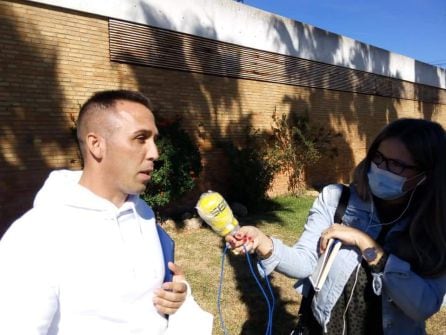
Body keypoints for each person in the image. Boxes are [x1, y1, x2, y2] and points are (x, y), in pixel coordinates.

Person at [0, 90, 212, 335]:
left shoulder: (142, 212)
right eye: (140, 138)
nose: (155, 153)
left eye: (154, 139)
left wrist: (176, 295)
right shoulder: (35, 235)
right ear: (96, 144)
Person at [226, 118, 446, 334]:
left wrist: (365, 244)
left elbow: (423, 307)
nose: (381, 168)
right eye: (378, 157)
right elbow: (304, 263)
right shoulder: (336, 199)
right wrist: (263, 243)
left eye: (396, 165)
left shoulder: (435, 225)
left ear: (426, 174)